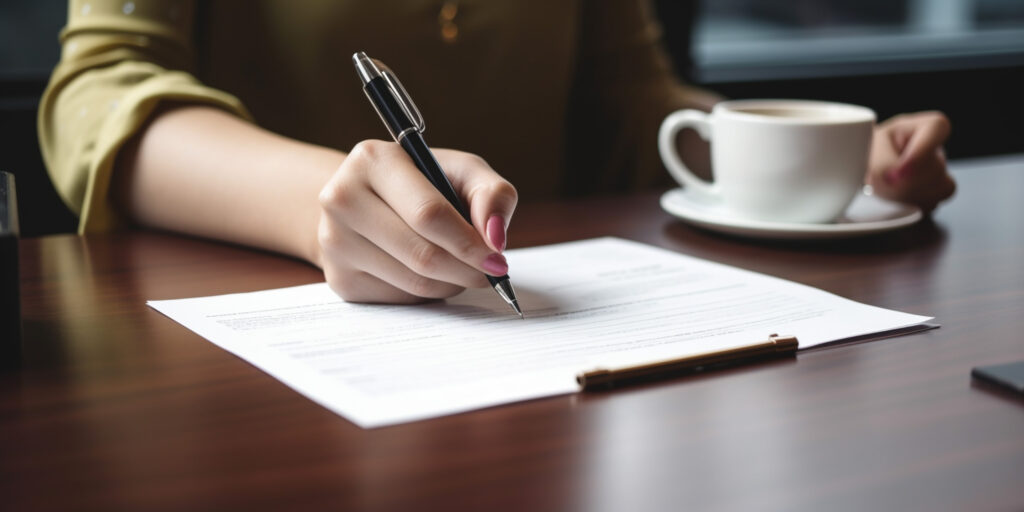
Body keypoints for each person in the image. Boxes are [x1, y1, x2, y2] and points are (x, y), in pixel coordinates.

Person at [39, 0, 955, 305]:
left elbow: (636, 97)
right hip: (247, 357)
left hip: (545, 373)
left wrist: (826, 155)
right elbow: (103, 89)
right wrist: (321, 198)